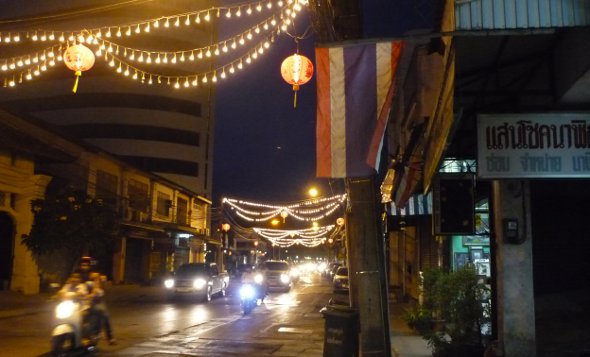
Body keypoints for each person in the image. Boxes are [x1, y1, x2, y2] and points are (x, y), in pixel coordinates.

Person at [87, 272, 116, 345]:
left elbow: (105, 293)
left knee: (104, 314)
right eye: (94, 278)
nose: (96, 280)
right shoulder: (89, 284)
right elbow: (84, 293)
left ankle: (108, 337)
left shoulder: (102, 285)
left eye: (97, 278)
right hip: (88, 304)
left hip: (98, 304)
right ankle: (93, 335)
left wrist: (104, 282)